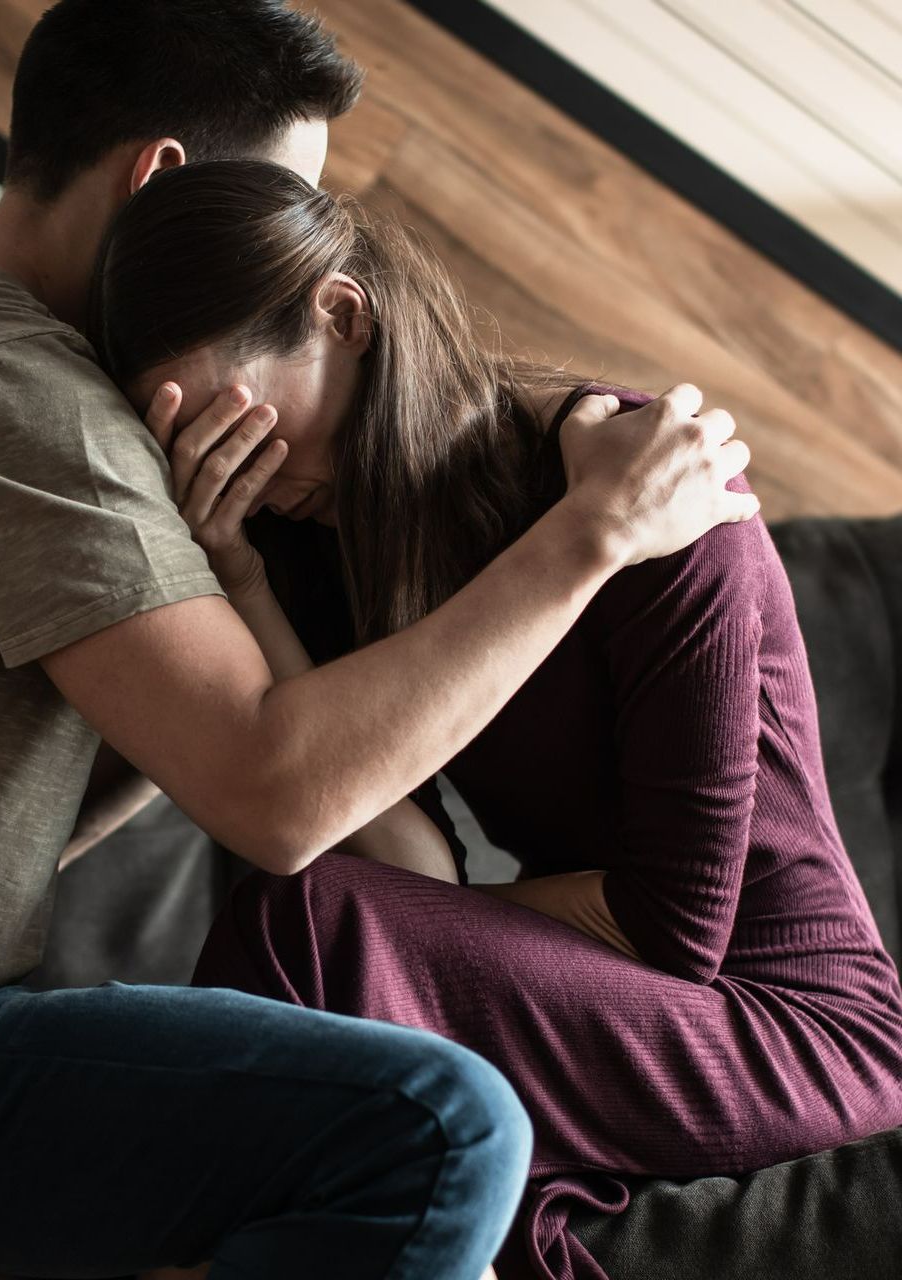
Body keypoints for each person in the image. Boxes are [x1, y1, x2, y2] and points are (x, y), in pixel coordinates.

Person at [0, 5, 754, 1279]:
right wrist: (592, 530)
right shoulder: (8, 390)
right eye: (283, 197)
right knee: (436, 1123)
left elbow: (176, 771)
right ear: (163, 178)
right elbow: (277, 798)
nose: (294, 246)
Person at [87, 157, 902, 1279]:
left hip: (783, 1021)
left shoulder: (660, 495)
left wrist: (439, 923)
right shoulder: (321, 529)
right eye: (191, 441)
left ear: (342, 315)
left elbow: (670, 928)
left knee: (310, 922)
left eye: (240, 415)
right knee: (317, 914)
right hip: (603, 981)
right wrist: (243, 579)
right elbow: (391, 849)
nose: (249, 471)